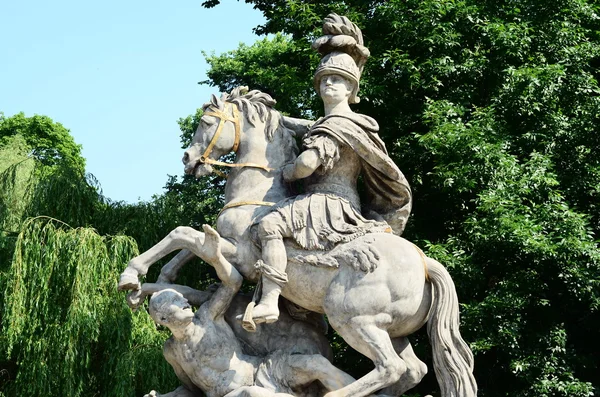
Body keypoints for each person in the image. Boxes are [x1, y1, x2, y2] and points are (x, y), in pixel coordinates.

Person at [245, 50, 412, 328]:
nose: (328, 84)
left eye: (336, 79)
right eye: (323, 80)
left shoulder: (336, 126)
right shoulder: (342, 125)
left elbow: (307, 163)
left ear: (351, 88)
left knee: (268, 226)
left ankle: (269, 301)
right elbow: (305, 125)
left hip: (327, 203)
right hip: (343, 202)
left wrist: (288, 172)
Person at [142, 225, 357, 397]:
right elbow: (192, 390)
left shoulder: (207, 317)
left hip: (261, 369)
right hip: (237, 393)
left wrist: (217, 259)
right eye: (175, 302)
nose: (184, 302)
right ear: (162, 317)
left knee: (315, 363)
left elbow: (233, 282)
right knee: (251, 394)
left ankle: (369, 393)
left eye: (181, 299)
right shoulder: (172, 351)